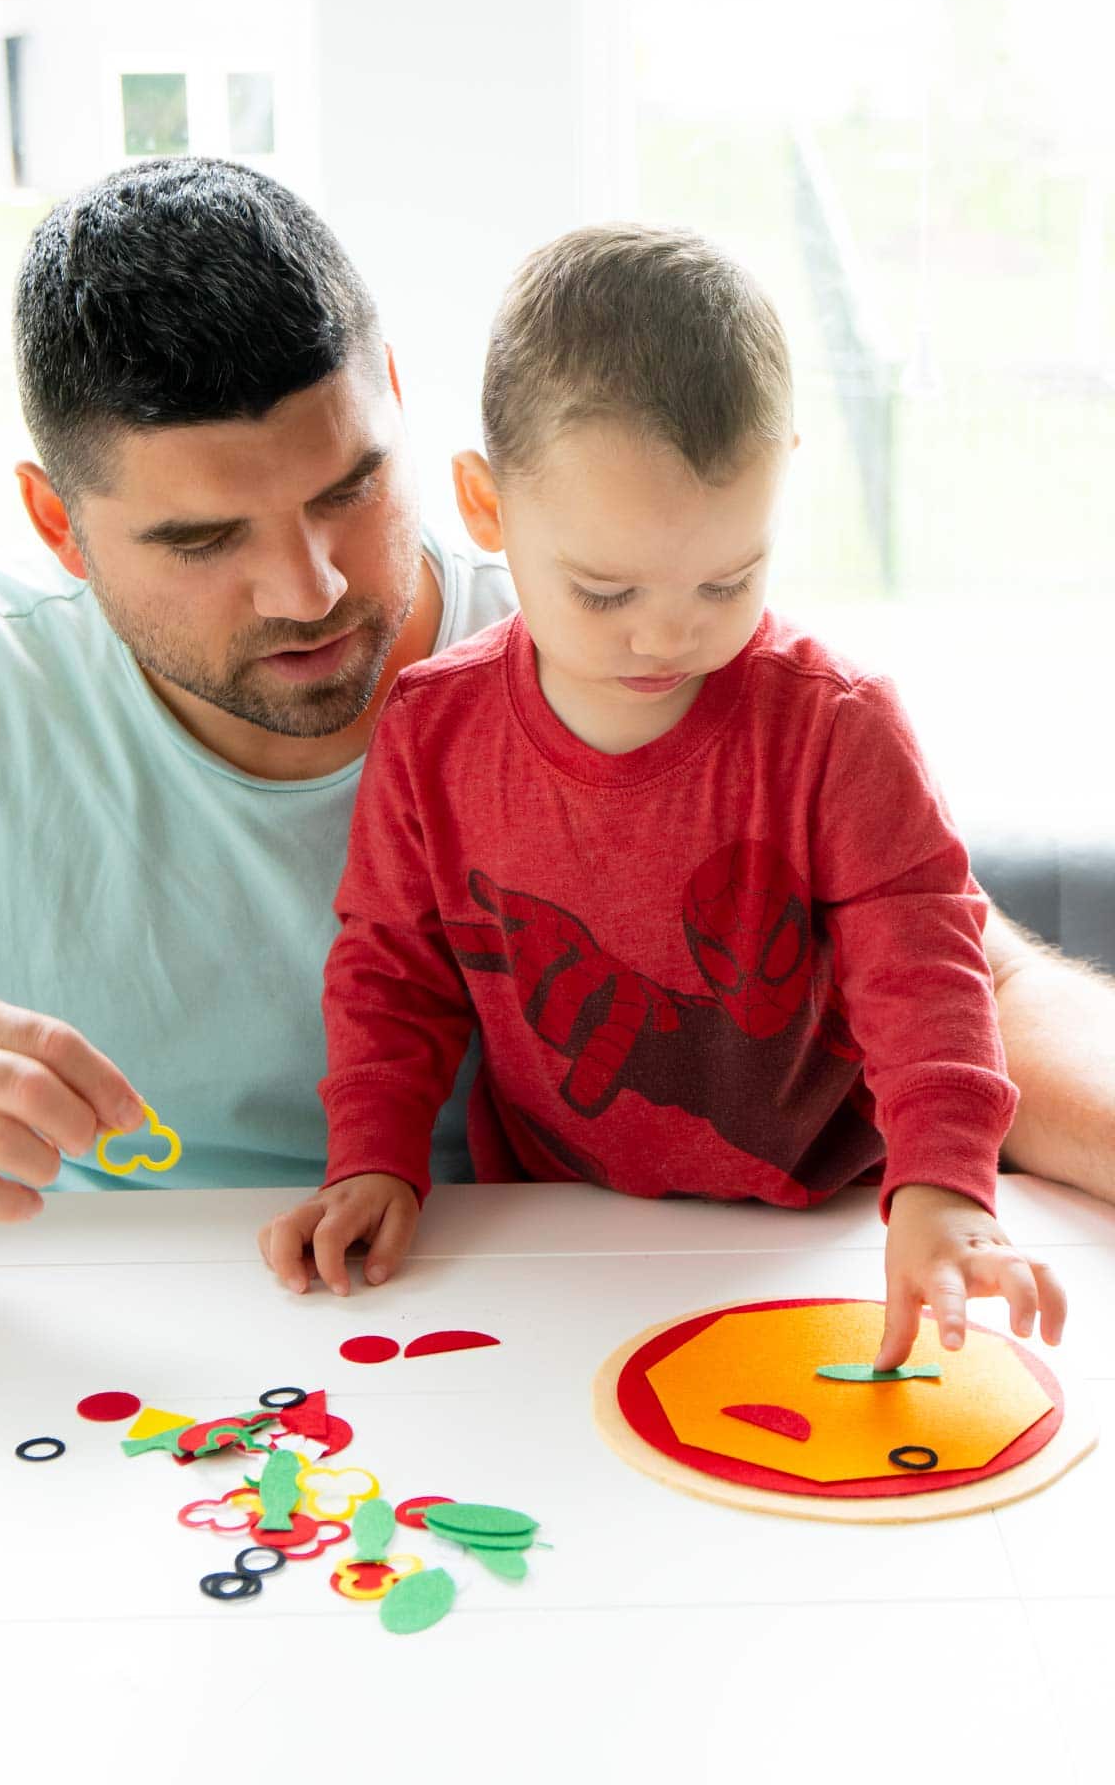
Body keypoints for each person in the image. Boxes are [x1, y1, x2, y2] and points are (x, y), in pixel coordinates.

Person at [0, 163, 1110, 1314]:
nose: (309, 586)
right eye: (201, 540)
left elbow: (954, 973)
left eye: (350, 489)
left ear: (396, 398)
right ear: (57, 526)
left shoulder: (606, 627)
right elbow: (389, 977)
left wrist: (953, 1181)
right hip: (112, 1336)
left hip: (539, 1300)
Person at [314, 223, 1067, 1369]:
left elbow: (924, 969)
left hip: (825, 1224)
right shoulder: (430, 732)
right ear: (484, 507)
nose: (669, 633)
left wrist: (945, 1187)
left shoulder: (837, 726)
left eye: (729, 579)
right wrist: (372, 1158)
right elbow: (392, 973)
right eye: (605, 590)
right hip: (560, 1240)